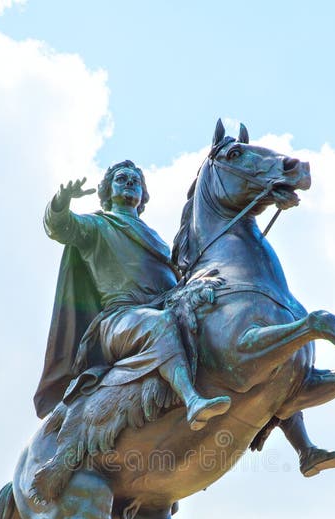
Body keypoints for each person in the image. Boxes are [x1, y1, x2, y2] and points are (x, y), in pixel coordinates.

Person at [33, 161, 231, 430]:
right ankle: (193, 401)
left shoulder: (158, 239)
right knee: (159, 325)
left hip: (165, 307)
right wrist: (61, 200)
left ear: (142, 195)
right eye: (121, 179)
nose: (129, 183)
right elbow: (60, 227)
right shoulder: (96, 225)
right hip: (119, 320)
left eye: (135, 181)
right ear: (107, 191)